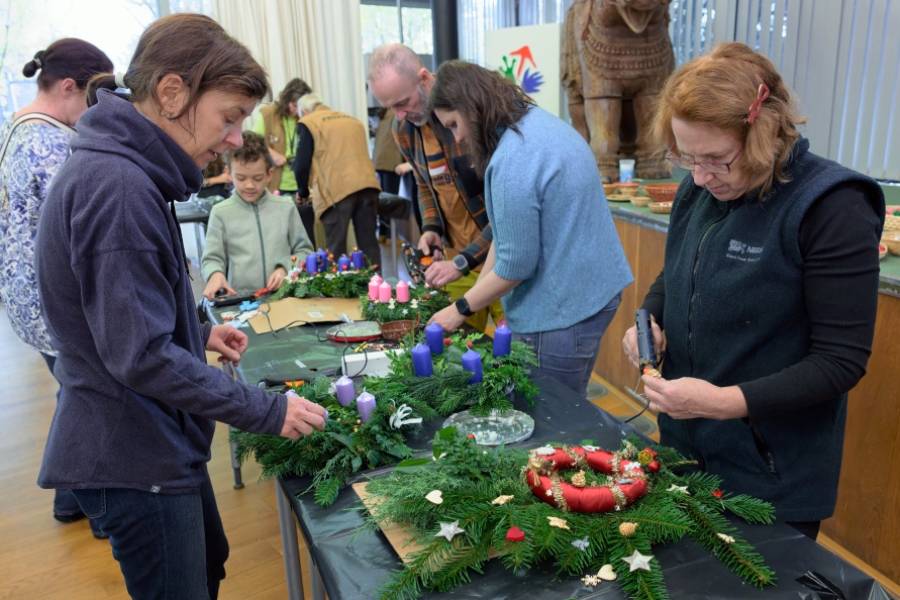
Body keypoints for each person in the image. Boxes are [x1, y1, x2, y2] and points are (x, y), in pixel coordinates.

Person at [34, 14, 327, 599]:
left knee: (204, 567)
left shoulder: (125, 171)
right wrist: (266, 411)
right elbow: (139, 355)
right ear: (172, 93)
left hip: (154, 442)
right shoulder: (117, 187)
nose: (232, 137)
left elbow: (128, 301)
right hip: (133, 454)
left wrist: (194, 330)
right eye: (228, 117)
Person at [620, 42, 883, 539]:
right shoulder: (698, 186)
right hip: (685, 445)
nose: (700, 176)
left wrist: (722, 402)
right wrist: (649, 320)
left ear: (762, 131)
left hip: (770, 469)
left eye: (718, 159)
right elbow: (674, 275)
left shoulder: (832, 206)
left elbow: (840, 361)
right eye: (687, 159)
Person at [426, 61, 632, 400]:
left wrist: (458, 309)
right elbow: (509, 236)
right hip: (592, 289)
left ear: (472, 107)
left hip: (562, 309)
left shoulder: (513, 161)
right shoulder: (537, 125)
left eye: (454, 124)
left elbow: (516, 266)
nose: (457, 138)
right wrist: (479, 289)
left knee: (551, 412)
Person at [0, 38, 112, 535]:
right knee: (90, 401)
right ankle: (98, 505)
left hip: (27, 299)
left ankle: (70, 500)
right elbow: (76, 227)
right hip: (54, 302)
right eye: (91, 96)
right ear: (68, 87)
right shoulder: (49, 143)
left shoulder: (17, 128)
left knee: (74, 393)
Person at [368, 43, 503, 332]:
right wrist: (432, 229)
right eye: (391, 107)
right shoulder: (402, 130)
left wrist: (464, 261)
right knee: (461, 353)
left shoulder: (470, 117)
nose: (400, 114)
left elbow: (507, 214)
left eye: (403, 102)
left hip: (501, 261)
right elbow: (425, 185)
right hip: (456, 264)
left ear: (425, 79)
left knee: (517, 356)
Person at [201, 131, 313, 298]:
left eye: (257, 178)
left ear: (269, 174)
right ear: (229, 173)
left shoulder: (285, 207)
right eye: (241, 177)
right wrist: (215, 274)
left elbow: (304, 251)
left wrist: (286, 268)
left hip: (285, 297)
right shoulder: (221, 212)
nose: (249, 185)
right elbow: (212, 258)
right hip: (241, 301)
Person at [292, 93, 382, 266]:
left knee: (335, 249)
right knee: (369, 244)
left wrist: (302, 192)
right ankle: (377, 289)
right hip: (368, 186)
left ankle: (337, 291)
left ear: (303, 111)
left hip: (337, 191)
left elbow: (301, 164)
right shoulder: (353, 120)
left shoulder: (309, 122)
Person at [251, 77, 315, 242]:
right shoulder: (268, 114)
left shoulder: (307, 116)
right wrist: (270, 153)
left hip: (303, 188)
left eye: (300, 106)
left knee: (306, 237)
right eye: (294, 105)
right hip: (277, 186)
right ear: (287, 100)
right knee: (280, 237)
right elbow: (252, 142)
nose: (297, 110)